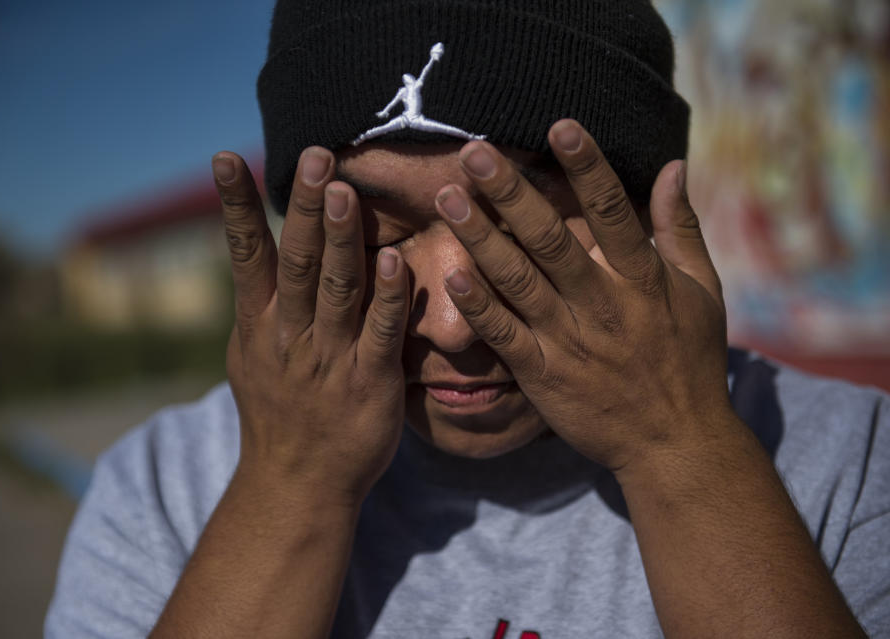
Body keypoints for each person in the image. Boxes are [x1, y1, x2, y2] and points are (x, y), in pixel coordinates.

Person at [45, 1, 890, 637]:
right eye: (375, 228)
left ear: (644, 204)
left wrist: (677, 445)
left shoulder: (849, 462)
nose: (454, 323)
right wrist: (292, 486)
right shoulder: (165, 489)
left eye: (521, 223)